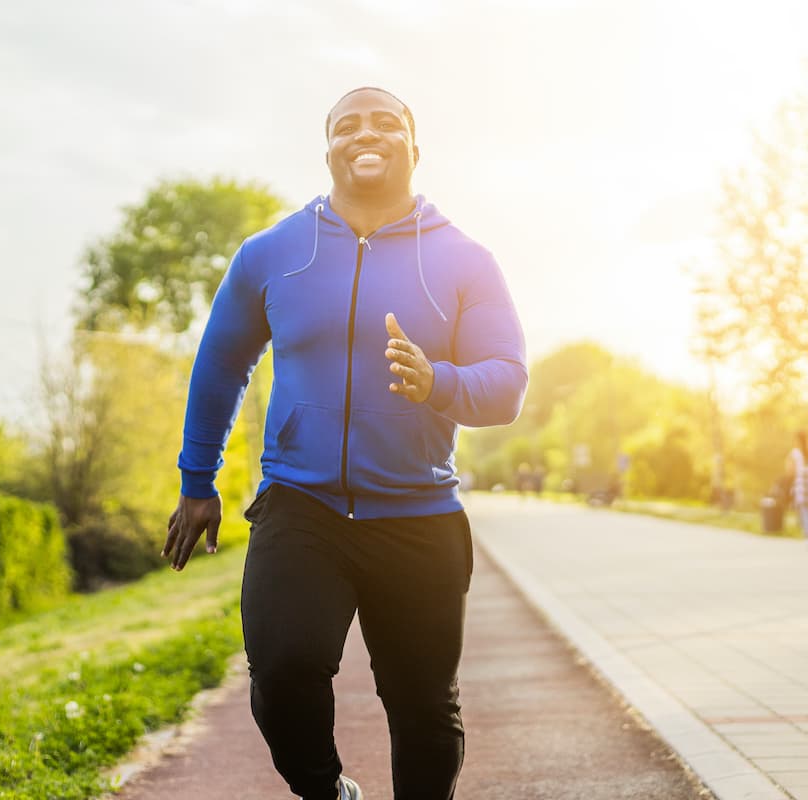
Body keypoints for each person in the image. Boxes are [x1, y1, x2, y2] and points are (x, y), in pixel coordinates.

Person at [164, 87, 527, 800]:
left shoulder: (463, 259)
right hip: (303, 506)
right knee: (283, 669)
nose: (367, 133)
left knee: (423, 707)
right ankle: (328, 791)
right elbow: (219, 365)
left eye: (386, 122)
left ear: (414, 148)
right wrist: (196, 480)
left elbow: (507, 384)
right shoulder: (273, 253)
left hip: (418, 513)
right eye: (347, 125)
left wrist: (438, 381)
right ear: (327, 147)